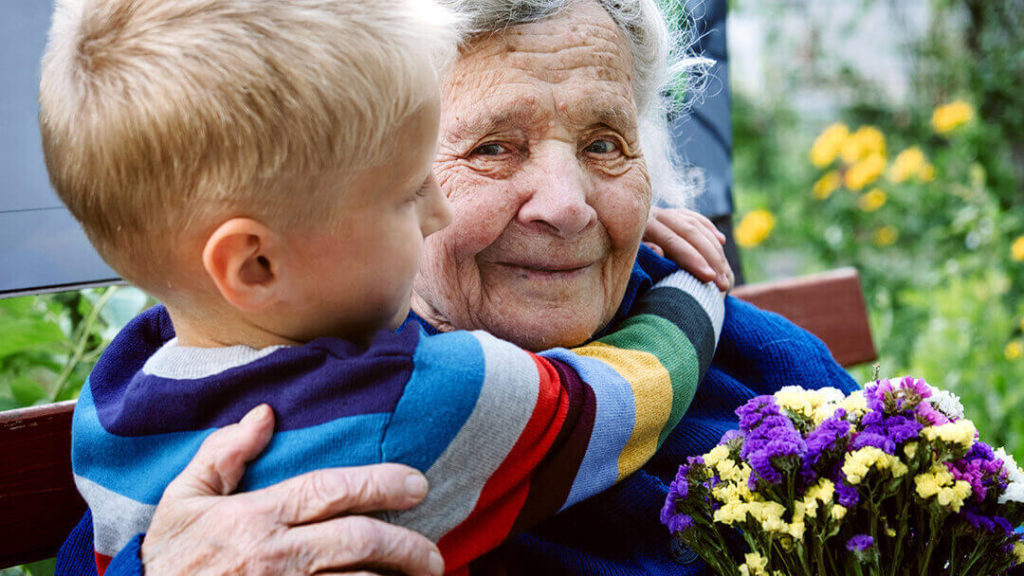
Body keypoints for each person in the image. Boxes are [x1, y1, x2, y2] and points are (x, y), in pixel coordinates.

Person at [55, 0, 858, 575]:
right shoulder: (239, 473)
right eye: (494, 149)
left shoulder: (762, 369)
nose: (568, 203)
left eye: (606, 144)